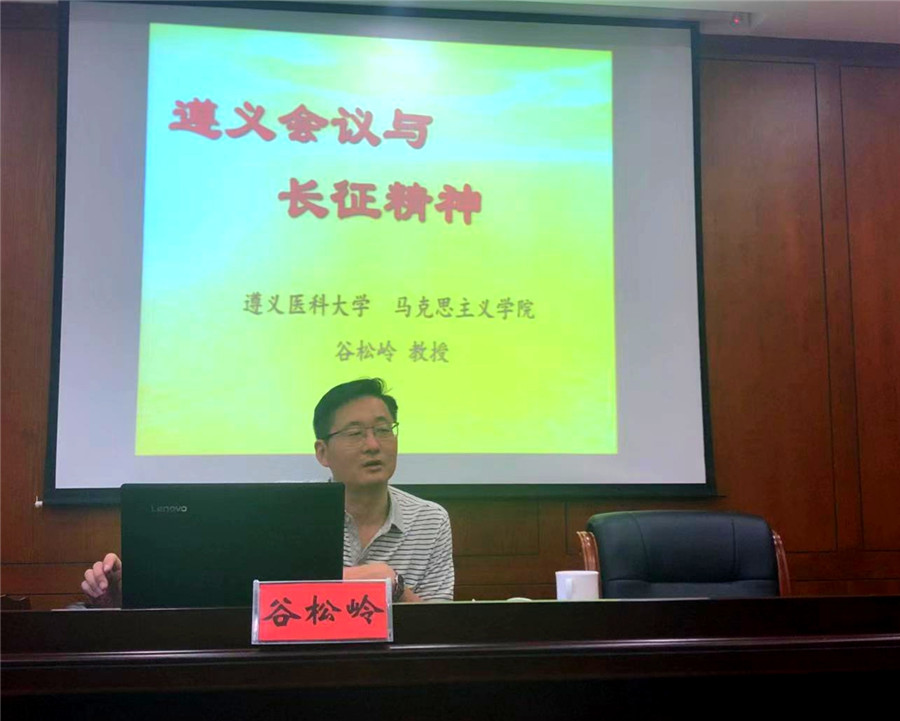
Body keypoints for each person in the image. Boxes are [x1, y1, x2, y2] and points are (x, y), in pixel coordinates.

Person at [81, 378, 454, 605]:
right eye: (356, 433)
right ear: (322, 452)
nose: (373, 444)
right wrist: (120, 596)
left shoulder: (430, 520)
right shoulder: (286, 512)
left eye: (384, 430)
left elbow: (444, 628)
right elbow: (242, 602)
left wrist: (394, 586)